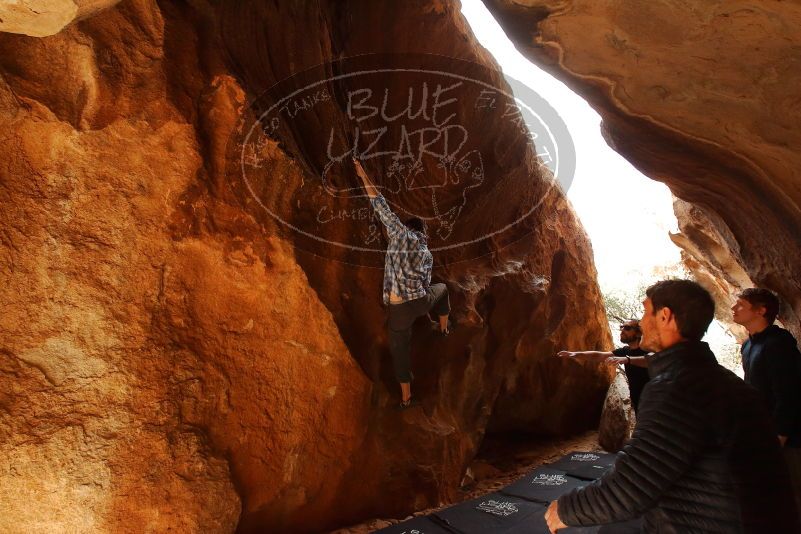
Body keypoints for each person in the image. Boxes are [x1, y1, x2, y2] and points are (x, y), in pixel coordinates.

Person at [545, 279, 799, 533]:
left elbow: (633, 486)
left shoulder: (678, 387)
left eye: (646, 312)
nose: (642, 322)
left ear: (665, 316)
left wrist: (565, 510)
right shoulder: (720, 379)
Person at [353, 157, 451, 410]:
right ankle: (443, 328)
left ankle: (407, 398)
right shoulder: (427, 253)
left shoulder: (399, 233)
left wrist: (362, 173)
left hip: (398, 308)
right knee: (442, 290)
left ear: (408, 227)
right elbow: (427, 282)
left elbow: (378, 202)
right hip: (420, 303)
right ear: (423, 233)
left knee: (400, 351)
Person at [732, 287, 801, 521]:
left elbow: (789, 394)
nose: (734, 308)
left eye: (740, 304)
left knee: (793, 495)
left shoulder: (778, 344)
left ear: (761, 310)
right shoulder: (748, 345)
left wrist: (779, 436)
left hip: (789, 439)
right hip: (763, 433)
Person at [557, 319, 649, 413]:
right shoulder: (625, 351)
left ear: (638, 333)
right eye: (622, 327)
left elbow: (651, 360)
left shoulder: (649, 349)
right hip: (639, 403)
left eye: (627, 328)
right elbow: (599, 355)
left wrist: (627, 359)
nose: (622, 330)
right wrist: (575, 354)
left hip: (655, 400)